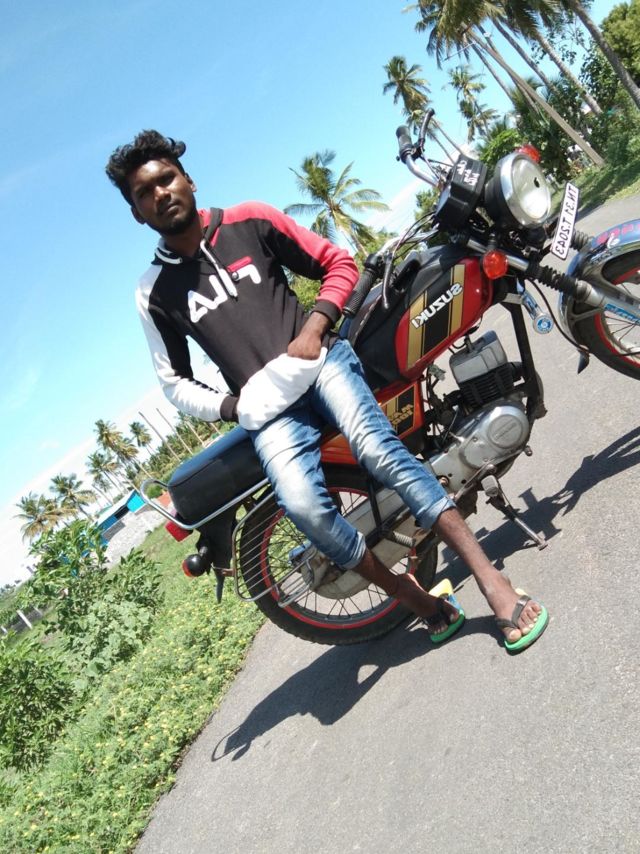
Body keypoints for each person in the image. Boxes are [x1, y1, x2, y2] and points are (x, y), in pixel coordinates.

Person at [105, 130, 549, 652]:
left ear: (189, 180)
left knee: (381, 452)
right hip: (269, 414)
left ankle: (491, 580)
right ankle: (415, 599)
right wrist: (234, 406)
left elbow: (337, 263)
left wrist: (315, 327)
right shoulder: (152, 290)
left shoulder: (249, 220)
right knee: (305, 509)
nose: (160, 194)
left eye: (166, 179)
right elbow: (174, 381)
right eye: (144, 192)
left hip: (323, 365)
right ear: (136, 213)